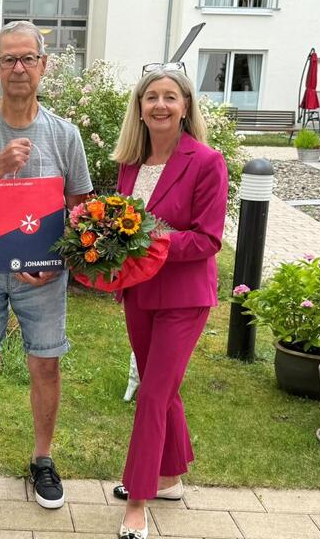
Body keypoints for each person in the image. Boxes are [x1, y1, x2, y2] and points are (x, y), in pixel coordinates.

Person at [0, 20, 93, 509]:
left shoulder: (64, 134)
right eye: (9, 59)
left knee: (45, 362)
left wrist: (57, 258)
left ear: (44, 66)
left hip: (42, 270)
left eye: (28, 58)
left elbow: (81, 212)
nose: (19, 68)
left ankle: (43, 459)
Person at [109, 63, 228, 539]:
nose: (160, 104)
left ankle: (138, 500)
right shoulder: (129, 164)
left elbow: (207, 240)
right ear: (139, 108)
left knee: (153, 394)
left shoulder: (206, 161)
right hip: (139, 293)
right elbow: (118, 225)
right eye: (151, 96)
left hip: (183, 296)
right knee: (165, 391)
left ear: (184, 108)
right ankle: (171, 478)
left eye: (169, 97)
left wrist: (145, 241)